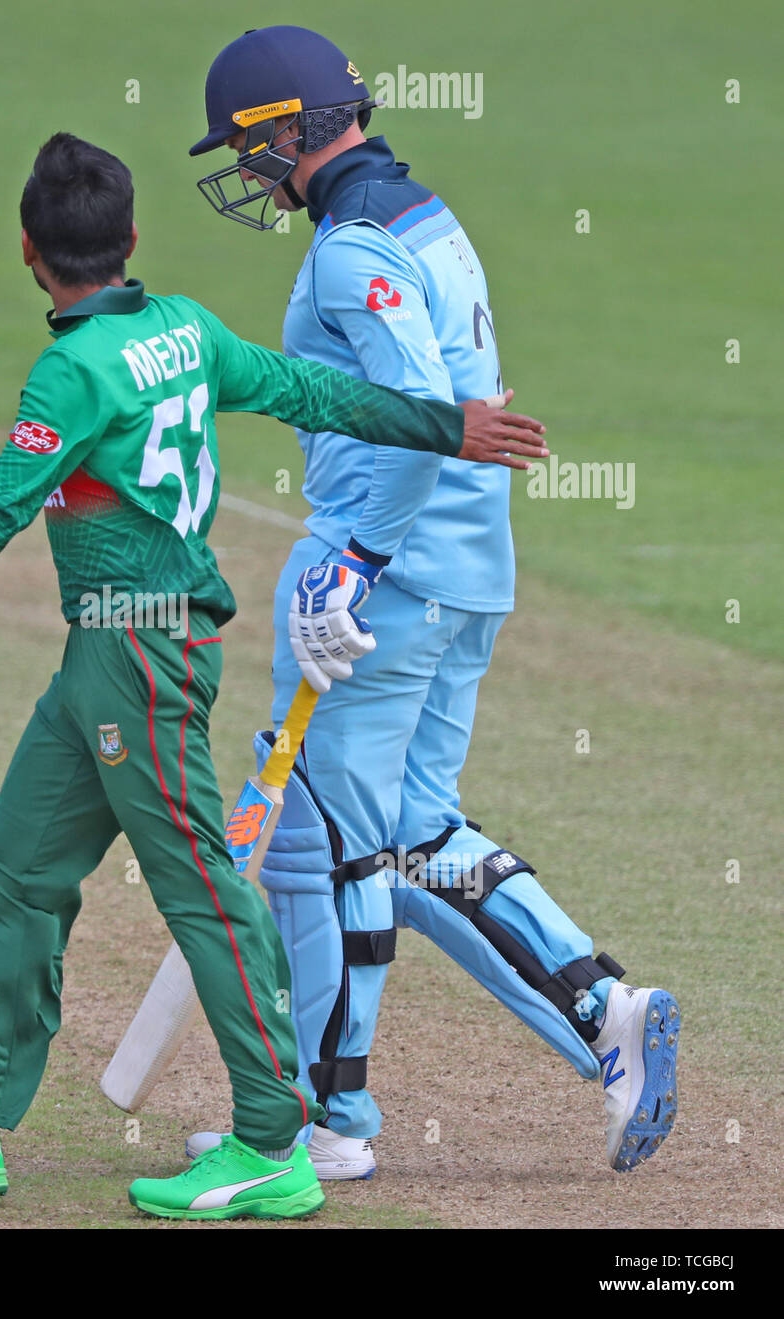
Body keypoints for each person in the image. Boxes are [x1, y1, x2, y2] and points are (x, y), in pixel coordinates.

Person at [0, 131, 547, 1220]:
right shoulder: (183, 329)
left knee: (203, 889)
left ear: (30, 254)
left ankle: (273, 1139)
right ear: (130, 238)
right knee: (18, 864)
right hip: (113, 658)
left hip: (138, 656)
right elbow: (306, 389)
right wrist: (445, 423)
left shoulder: (72, 369)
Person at [184, 26, 680, 1182]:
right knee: (407, 839)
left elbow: (421, 413)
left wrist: (349, 562)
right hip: (465, 572)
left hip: (387, 580)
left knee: (321, 854)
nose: (244, 171)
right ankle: (604, 1009)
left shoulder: (351, 247)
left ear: (288, 129)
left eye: (247, 145)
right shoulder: (426, 219)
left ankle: (322, 1121)